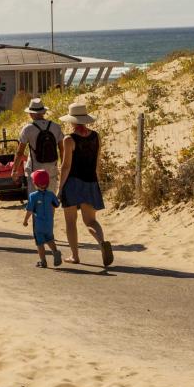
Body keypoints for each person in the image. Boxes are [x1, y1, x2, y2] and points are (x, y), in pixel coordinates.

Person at [57, 103, 113, 267]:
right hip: (90, 181)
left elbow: (66, 166)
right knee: (90, 221)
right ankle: (102, 242)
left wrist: (60, 189)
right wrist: (96, 179)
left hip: (73, 183)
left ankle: (75, 255)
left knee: (70, 221)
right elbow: (97, 162)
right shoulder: (96, 136)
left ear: (72, 121)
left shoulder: (69, 139)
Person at [12, 98, 64, 194]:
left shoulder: (28, 129)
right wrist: (62, 166)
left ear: (31, 114)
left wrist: (14, 170)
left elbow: (20, 152)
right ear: (43, 112)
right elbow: (62, 150)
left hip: (35, 170)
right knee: (50, 200)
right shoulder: (56, 127)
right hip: (51, 169)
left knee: (35, 201)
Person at [24, 169, 63, 268]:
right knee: (50, 238)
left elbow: (29, 210)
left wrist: (25, 220)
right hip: (49, 223)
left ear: (34, 182)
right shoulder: (51, 194)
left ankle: (43, 261)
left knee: (40, 243)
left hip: (38, 224)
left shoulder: (33, 196)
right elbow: (56, 204)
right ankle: (55, 251)